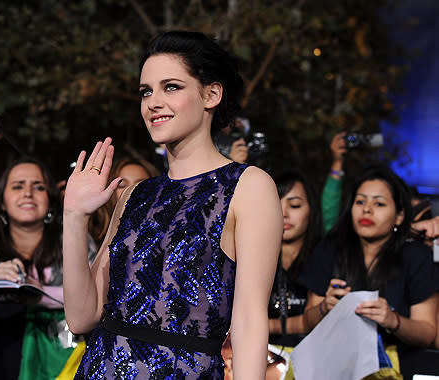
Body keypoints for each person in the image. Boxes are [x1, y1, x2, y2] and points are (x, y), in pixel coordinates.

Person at [63, 30, 283, 379]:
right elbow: (81, 316)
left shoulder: (248, 186)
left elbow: (249, 321)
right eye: (146, 91)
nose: (152, 102)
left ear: (211, 94)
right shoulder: (135, 195)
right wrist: (74, 218)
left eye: (171, 87)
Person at [0, 156, 97, 379]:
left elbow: (97, 305)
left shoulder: (74, 240)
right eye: (17, 186)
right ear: (2, 202)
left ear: (50, 201)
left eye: (38, 187)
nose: (27, 193)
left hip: (64, 365)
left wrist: (39, 293)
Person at [299, 164, 439, 377]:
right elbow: (307, 322)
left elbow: (427, 332)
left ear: (400, 216)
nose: (367, 209)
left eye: (379, 203)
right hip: (333, 367)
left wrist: (393, 321)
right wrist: (324, 308)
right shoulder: (330, 249)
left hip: (400, 367)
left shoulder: (416, 256)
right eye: (360, 201)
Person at [221, 169, 323, 380]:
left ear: (312, 211)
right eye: (275, 202)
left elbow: (315, 320)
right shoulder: (246, 255)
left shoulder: (324, 255)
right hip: (253, 364)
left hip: (311, 366)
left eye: (294, 205)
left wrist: (256, 324)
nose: (283, 212)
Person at [88, 155, 159, 246]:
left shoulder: (164, 235)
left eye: (141, 184)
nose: (131, 190)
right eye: (122, 185)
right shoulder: (91, 236)